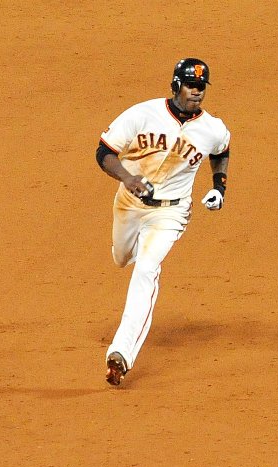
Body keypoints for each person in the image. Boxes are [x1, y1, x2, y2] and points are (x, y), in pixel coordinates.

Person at [95, 58, 231, 386]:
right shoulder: (142, 114)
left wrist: (219, 187)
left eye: (201, 87)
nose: (197, 92)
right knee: (122, 257)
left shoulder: (211, 128)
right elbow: (104, 152)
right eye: (191, 85)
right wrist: (128, 179)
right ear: (175, 85)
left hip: (172, 213)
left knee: (146, 268)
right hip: (129, 204)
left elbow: (222, 149)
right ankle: (129, 249)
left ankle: (121, 353)